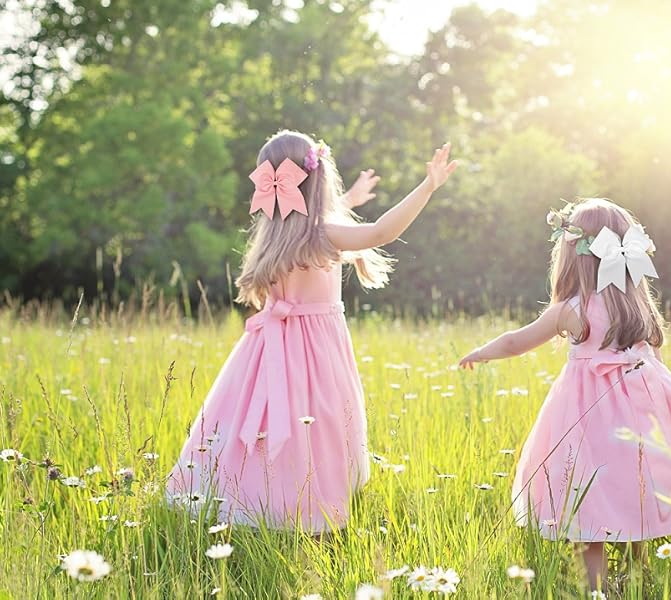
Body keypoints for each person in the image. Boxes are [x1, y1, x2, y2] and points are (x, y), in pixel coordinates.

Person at [167, 130, 457, 533]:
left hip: (266, 348)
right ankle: (307, 509)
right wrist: (427, 187)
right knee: (320, 427)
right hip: (316, 349)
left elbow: (314, 221)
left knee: (258, 423)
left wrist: (349, 199)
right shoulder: (322, 233)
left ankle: (246, 499)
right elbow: (379, 233)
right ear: (318, 179)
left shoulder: (273, 231)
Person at [460, 198, 671, 591]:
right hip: (641, 415)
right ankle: (637, 581)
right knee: (639, 493)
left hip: (587, 420)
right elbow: (656, 359)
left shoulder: (572, 309)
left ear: (571, 257)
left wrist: (481, 352)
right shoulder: (638, 305)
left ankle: (598, 591)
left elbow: (517, 341)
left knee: (587, 506)